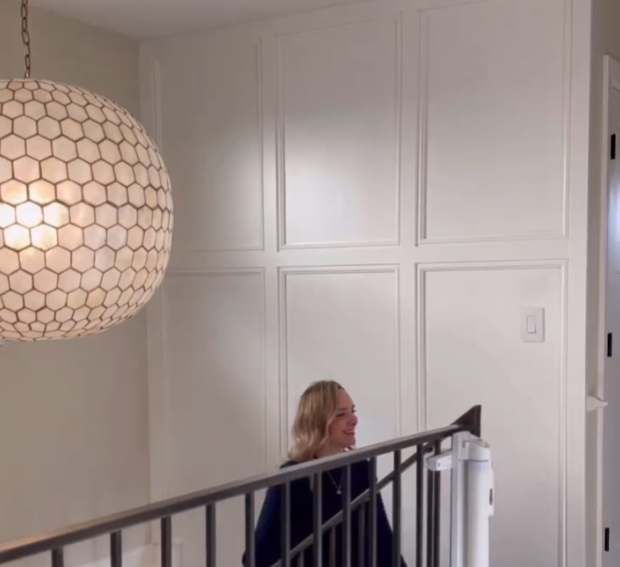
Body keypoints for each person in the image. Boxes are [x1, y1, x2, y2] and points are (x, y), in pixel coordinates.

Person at [243, 380, 407, 567]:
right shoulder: (294, 476)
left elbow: (382, 537)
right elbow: (259, 554)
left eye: (352, 411)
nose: (353, 419)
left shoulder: (361, 468)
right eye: (341, 414)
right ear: (318, 422)